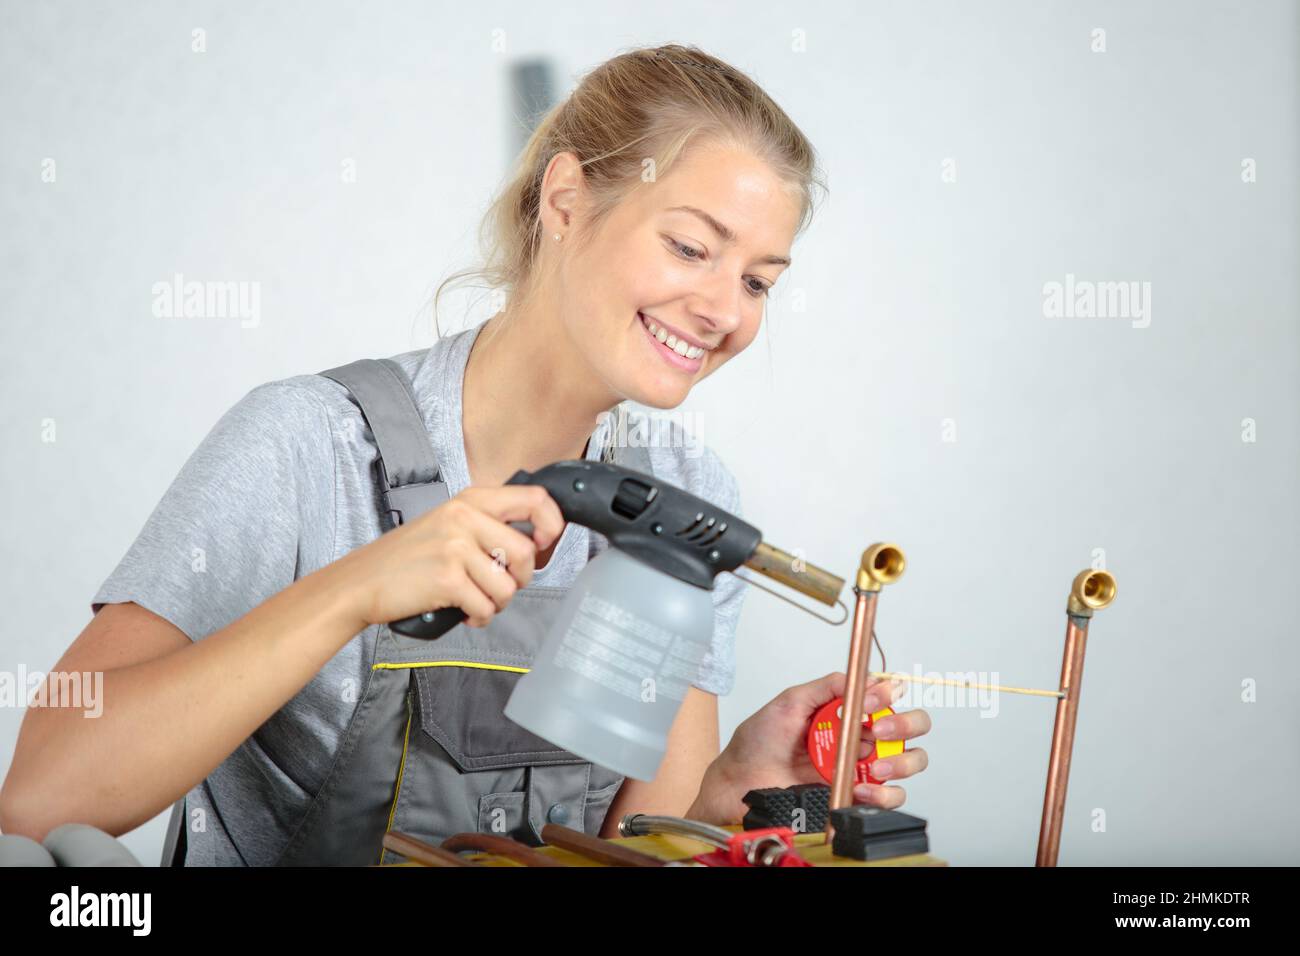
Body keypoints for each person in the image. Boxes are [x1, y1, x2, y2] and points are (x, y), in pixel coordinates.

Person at [0, 43, 930, 865]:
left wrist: (729, 790)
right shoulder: (309, 445)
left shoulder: (684, 501)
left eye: (759, 281)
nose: (727, 312)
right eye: (692, 246)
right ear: (566, 200)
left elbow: (622, 853)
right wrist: (357, 588)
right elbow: (42, 802)